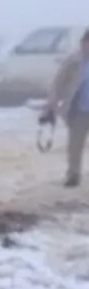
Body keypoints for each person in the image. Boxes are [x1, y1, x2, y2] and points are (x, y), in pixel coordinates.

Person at [42, 29, 89, 187]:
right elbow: (58, 83)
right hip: (79, 110)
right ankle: (73, 175)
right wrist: (52, 103)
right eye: (86, 44)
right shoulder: (73, 62)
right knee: (75, 145)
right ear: (82, 43)